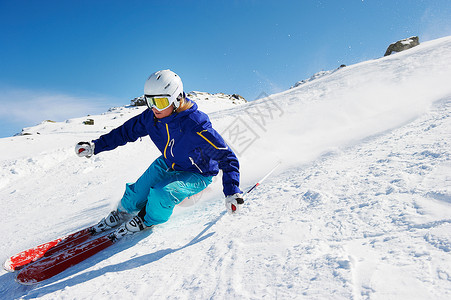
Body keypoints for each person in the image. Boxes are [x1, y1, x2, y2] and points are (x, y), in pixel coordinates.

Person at [75, 69, 243, 238]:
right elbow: (125, 132)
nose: (154, 108)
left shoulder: (195, 124)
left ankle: (147, 220)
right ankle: (122, 213)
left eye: (161, 102)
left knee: (161, 194)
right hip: (168, 162)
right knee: (137, 193)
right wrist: (95, 146)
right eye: (150, 101)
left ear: (177, 99)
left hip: (198, 172)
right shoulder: (152, 117)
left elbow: (226, 156)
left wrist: (232, 191)